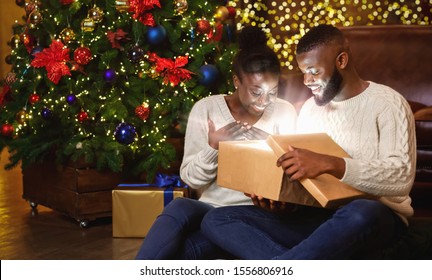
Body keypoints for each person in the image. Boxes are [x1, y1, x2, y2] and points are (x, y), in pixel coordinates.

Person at [201, 24, 416, 259]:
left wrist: (333, 164)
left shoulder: (388, 104)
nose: (306, 80)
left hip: (376, 217)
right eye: (303, 71)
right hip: (319, 217)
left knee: (361, 211)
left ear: (341, 61)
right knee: (217, 219)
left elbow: (401, 178)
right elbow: (306, 179)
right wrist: (284, 202)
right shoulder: (310, 110)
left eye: (314, 71)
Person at [135, 26, 297, 259]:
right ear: (236, 81)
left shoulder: (285, 111)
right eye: (255, 91)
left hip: (258, 213)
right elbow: (190, 178)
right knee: (179, 207)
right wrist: (214, 148)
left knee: (183, 252)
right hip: (210, 209)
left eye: (272, 92)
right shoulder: (207, 108)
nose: (264, 101)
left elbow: (293, 180)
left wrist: (273, 146)